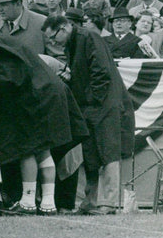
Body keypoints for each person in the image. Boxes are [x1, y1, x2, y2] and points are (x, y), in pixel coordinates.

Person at [42, 14, 134, 215]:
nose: (52, 42)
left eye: (53, 37)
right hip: (93, 105)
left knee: (109, 152)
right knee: (91, 155)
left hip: (104, 105)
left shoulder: (88, 38)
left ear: (64, 28)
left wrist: (92, 102)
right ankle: (90, 202)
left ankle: (109, 203)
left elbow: (101, 72)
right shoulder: (76, 41)